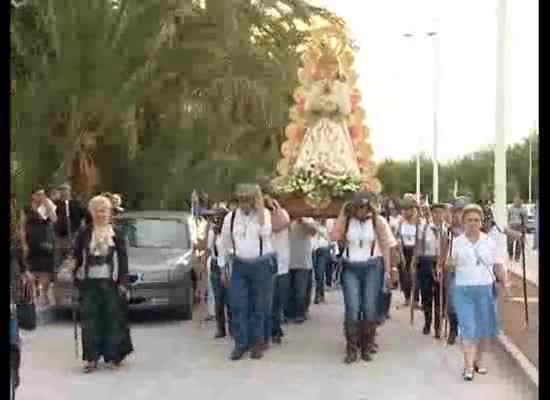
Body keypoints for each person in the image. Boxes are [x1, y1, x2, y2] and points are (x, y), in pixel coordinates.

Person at [330, 192, 393, 364]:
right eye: (358, 207)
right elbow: (334, 236)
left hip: (372, 266)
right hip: (351, 267)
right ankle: (351, 348)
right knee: (353, 306)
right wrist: (344, 212)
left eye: (364, 207)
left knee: (369, 306)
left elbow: (386, 245)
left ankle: (366, 345)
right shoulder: (347, 220)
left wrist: (388, 271)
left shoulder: (377, 221)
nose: (361, 210)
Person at [73, 195, 133, 373]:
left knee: (113, 319)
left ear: (109, 213)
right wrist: (75, 277)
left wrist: (123, 282)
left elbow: (123, 260)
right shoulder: (84, 233)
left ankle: (113, 356)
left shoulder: (117, 234)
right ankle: (91, 358)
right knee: (90, 320)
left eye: (103, 210)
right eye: (97, 210)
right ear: (91, 213)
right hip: (90, 283)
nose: (100, 214)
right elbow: (77, 257)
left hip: (111, 282)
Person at [219, 184, 275, 360]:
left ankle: (257, 343)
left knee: (260, 305)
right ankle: (240, 343)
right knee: (238, 305)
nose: (243, 203)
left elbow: (266, 234)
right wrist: (223, 267)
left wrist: (260, 211)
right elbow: (224, 243)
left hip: (261, 264)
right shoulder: (231, 217)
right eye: (241, 200)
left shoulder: (263, 214)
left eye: (247, 200)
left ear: (253, 200)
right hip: (240, 264)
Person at [448, 204, 500, 381]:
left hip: (485, 287)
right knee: (467, 327)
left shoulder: (489, 242)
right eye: (469, 220)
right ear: (463, 222)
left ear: (481, 222)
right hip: (463, 289)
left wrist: (505, 282)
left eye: (476, 220)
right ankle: (468, 366)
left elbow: (498, 264)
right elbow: (449, 264)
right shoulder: (456, 242)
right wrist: (448, 264)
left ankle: (479, 360)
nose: (473, 223)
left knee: (484, 327)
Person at [19, 187, 58, 306]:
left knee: (45, 269)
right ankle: (33, 293)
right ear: (33, 195)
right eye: (37, 194)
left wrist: (47, 203)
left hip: (45, 242)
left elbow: (54, 219)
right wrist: (24, 243)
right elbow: (22, 227)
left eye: (42, 194)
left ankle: (44, 295)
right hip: (31, 242)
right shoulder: (26, 209)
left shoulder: (47, 207)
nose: (40, 196)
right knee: (31, 268)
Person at [417, 204, 446, 337]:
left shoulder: (447, 230)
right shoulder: (424, 228)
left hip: (442, 263)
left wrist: (442, 263)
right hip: (426, 262)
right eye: (435, 213)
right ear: (432, 214)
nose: (438, 215)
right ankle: (427, 322)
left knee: (440, 296)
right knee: (427, 295)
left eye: (441, 213)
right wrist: (415, 262)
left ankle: (438, 327)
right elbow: (419, 247)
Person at [265, 197, 291, 344]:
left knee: (277, 301)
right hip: (265, 264)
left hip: (281, 266)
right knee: (267, 300)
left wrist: (277, 206)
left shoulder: (284, 214)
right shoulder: (261, 217)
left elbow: (279, 225)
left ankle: (275, 329)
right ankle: (270, 330)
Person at [286, 217, 317, 324]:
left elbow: (313, 232)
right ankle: (290, 313)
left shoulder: (308, 219)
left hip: (303, 261)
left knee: (301, 290)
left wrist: (303, 221)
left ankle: (301, 313)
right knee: (289, 290)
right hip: (288, 261)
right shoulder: (285, 217)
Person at [207, 208, 231, 339]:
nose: (217, 221)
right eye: (216, 218)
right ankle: (220, 328)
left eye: (219, 218)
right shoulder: (213, 233)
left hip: (228, 265)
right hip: (216, 265)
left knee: (231, 299)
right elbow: (209, 248)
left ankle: (233, 328)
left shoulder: (230, 232)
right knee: (219, 299)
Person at [395, 199, 420, 307]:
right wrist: (400, 254)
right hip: (404, 249)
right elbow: (398, 237)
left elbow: (420, 239)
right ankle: (407, 297)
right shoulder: (400, 222)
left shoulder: (419, 222)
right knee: (404, 274)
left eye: (408, 209)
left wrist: (416, 255)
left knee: (415, 274)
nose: (406, 212)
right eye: (404, 210)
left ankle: (415, 299)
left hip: (415, 249)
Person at [55, 184, 86, 268]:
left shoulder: (76, 203)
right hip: (60, 235)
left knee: (73, 256)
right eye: (62, 190)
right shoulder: (56, 204)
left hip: (74, 234)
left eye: (65, 190)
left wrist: (80, 231)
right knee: (60, 257)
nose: (64, 192)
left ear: (69, 191)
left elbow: (84, 216)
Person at [312, 218, 333, 304]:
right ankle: (320, 293)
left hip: (323, 250)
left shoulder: (329, 222)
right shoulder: (312, 221)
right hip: (313, 250)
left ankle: (319, 294)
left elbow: (330, 238)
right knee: (317, 273)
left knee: (320, 273)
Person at [507, 196, 527, 262]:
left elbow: (525, 219)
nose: (517, 202)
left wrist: (524, 228)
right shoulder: (510, 208)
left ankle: (517, 257)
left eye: (518, 201)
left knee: (519, 243)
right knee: (510, 243)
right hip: (511, 226)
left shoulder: (523, 209)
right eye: (515, 201)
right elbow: (508, 217)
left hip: (520, 227)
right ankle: (510, 255)